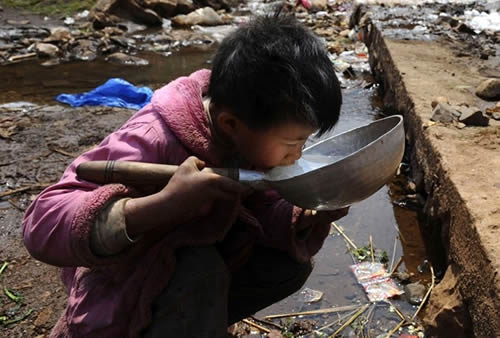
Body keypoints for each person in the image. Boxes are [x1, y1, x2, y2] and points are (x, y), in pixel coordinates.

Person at [22, 11, 347, 338]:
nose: (298, 154)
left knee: (286, 266)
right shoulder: (153, 138)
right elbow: (41, 222)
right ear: (230, 125)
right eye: (293, 143)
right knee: (201, 271)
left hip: (186, 277)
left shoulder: (248, 128)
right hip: (122, 290)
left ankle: (196, 323)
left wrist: (298, 217)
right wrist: (164, 204)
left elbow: (260, 203)